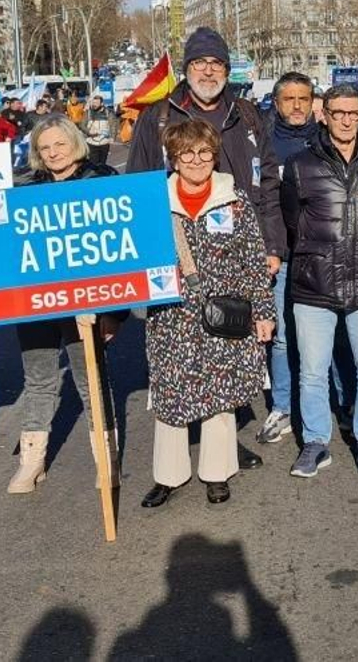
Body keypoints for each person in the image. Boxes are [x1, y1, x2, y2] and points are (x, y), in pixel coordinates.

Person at [126, 26, 284, 472]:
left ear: (226, 71)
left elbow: (267, 184)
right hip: (173, 256)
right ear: (187, 69)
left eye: (216, 64)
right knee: (174, 356)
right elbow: (136, 189)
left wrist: (271, 245)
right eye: (199, 63)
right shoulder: (158, 116)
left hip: (233, 251)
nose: (208, 71)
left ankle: (223, 448)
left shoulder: (249, 115)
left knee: (226, 351)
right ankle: (172, 462)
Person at [0, 114, 123, 494]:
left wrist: (114, 315)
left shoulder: (102, 181)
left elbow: (123, 252)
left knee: (90, 380)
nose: (54, 153)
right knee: (38, 378)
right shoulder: (22, 186)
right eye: (45, 147)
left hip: (86, 301)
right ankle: (31, 461)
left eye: (60, 144)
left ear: (75, 143)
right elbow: (5, 239)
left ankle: (106, 457)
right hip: (36, 299)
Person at [140, 120, 276, 509]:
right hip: (171, 317)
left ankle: (217, 474)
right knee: (170, 395)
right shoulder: (154, 200)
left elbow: (253, 257)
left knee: (220, 393)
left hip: (224, 314)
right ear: (174, 158)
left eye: (203, 152)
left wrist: (263, 311)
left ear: (214, 155)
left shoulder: (232, 196)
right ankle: (168, 476)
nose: (196, 160)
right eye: (186, 153)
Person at [281, 85, 358, 477]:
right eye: (339, 113)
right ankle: (316, 442)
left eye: (354, 113)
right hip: (315, 282)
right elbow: (291, 219)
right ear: (325, 115)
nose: (347, 120)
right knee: (312, 371)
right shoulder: (300, 165)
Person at [258, 72, 320, 445]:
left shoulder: (328, 138)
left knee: (328, 335)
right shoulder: (265, 143)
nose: (297, 106)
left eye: (303, 98)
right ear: (277, 104)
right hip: (280, 257)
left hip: (321, 256)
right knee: (282, 337)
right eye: (288, 99)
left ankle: (336, 402)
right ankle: (282, 405)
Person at [80, 94, 118, 167]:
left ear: (102, 103)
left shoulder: (108, 113)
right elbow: (82, 125)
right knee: (93, 165)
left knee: (102, 165)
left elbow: (113, 125)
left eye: (97, 103)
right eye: (93, 103)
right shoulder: (88, 113)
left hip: (104, 143)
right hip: (91, 142)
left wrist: (113, 137)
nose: (94, 105)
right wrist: (88, 132)